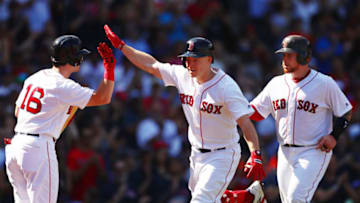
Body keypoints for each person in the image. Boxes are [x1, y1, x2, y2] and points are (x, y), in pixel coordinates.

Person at [103, 24, 265, 203]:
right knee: (209, 198)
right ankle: (246, 198)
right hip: (196, 153)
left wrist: (255, 154)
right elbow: (151, 65)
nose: (190, 63)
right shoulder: (183, 75)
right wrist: (123, 47)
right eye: (188, 59)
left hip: (223, 153)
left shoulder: (227, 87)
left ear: (209, 60)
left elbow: (246, 123)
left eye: (196, 59)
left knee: (201, 200)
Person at [5, 35, 116, 203]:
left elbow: (18, 112)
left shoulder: (36, 76)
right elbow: (103, 98)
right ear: (75, 59)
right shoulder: (64, 86)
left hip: (16, 145)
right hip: (38, 147)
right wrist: (109, 67)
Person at [249, 34, 353, 202]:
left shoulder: (324, 83)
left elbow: (346, 111)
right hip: (284, 152)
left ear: (304, 56)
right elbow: (256, 112)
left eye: (290, 55)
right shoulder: (276, 83)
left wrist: (334, 136)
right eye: (283, 55)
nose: (284, 59)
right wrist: (233, 107)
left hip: (313, 151)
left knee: (295, 199)